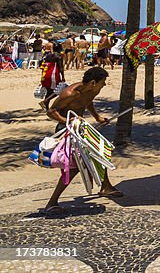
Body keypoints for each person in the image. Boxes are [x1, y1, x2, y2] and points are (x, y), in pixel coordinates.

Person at [43, 67, 123, 214]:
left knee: (99, 151)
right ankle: (52, 202)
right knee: (73, 167)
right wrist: (67, 121)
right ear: (93, 82)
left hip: (79, 127)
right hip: (66, 130)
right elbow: (51, 111)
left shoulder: (93, 90)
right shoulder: (69, 94)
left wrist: (97, 117)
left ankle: (106, 187)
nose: (104, 85)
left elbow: (88, 102)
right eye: (102, 82)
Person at [39, 44, 65, 109]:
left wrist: (42, 76)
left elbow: (43, 66)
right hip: (53, 74)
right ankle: (46, 101)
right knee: (59, 90)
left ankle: (46, 107)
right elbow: (61, 68)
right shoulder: (58, 56)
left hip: (46, 74)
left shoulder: (48, 56)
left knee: (49, 91)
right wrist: (63, 76)